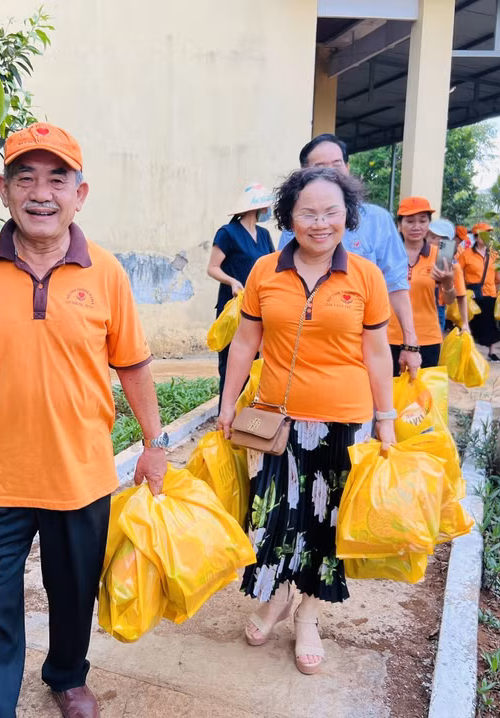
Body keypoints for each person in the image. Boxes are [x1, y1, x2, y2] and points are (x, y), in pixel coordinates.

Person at [0, 123, 168, 718]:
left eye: (57, 178)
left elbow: (133, 365)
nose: (41, 192)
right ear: (3, 190)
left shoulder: (106, 274)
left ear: (81, 193)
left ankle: (68, 676)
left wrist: (156, 442)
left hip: (81, 475)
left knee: (73, 592)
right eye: (25, 177)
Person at [217, 167, 396, 676]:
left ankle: (309, 614)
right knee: (276, 517)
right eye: (308, 213)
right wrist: (228, 403)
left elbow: (378, 353)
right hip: (278, 421)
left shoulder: (365, 276)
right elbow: (246, 343)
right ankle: (275, 597)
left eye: (331, 212)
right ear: (289, 217)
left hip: (345, 421)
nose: (320, 223)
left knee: (327, 522)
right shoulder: (264, 272)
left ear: (348, 216)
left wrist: (385, 418)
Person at [278, 134, 421, 378]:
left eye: (336, 165)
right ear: (304, 174)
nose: (331, 174)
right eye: (319, 168)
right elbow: (283, 284)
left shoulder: (377, 220)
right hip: (305, 353)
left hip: (365, 352)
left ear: (347, 167)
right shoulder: (296, 225)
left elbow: (396, 285)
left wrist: (410, 343)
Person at [207, 183, 275, 401]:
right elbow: (212, 268)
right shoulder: (228, 233)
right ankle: (226, 418)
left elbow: (271, 267)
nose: (268, 212)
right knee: (231, 364)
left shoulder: (264, 235)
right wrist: (233, 282)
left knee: (256, 362)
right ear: (257, 209)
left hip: (259, 308)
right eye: (266, 207)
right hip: (233, 308)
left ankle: (248, 421)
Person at [387, 199, 463, 372]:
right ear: (399, 225)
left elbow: (450, 301)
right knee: (389, 395)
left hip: (427, 337)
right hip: (389, 336)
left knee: (423, 396)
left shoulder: (441, 254)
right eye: (410, 221)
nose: (416, 226)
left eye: (422, 220)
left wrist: (447, 282)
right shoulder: (387, 255)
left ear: (429, 225)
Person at [460, 222, 500, 361]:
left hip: (490, 294)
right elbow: (458, 274)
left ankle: (491, 352)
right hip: (472, 295)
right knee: (472, 324)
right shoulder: (466, 255)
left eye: (489, 235)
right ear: (476, 237)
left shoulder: (494, 255)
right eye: (484, 234)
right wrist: (462, 291)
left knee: (490, 324)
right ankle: (469, 353)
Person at [426, 218, 471, 336]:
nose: (428, 240)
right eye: (428, 236)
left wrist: (465, 323)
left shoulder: (453, 266)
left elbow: (461, 296)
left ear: (444, 242)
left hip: (437, 310)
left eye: (433, 237)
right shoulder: (420, 258)